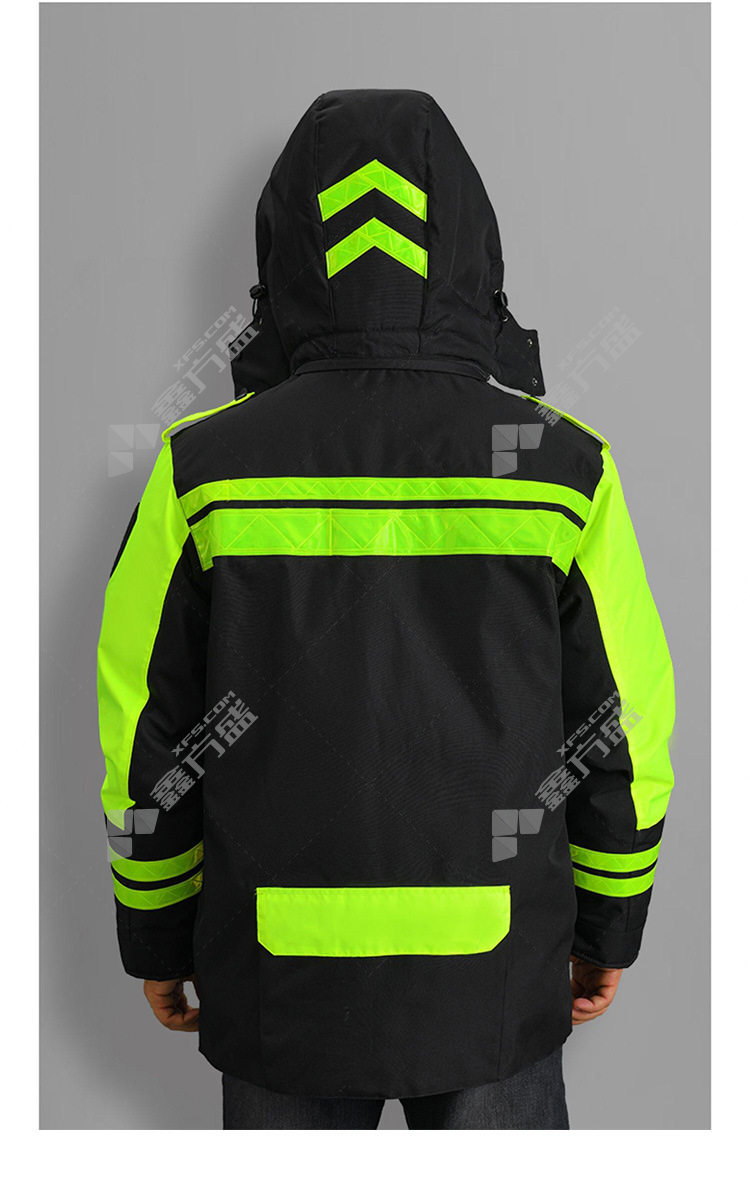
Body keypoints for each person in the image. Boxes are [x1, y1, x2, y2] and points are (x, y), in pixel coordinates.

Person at [97, 90, 674, 1130]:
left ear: (288, 253)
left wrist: (156, 930)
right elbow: (620, 723)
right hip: (498, 975)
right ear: (470, 247)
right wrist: (609, 924)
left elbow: (148, 723)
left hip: (279, 977)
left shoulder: (202, 469)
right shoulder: (562, 467)